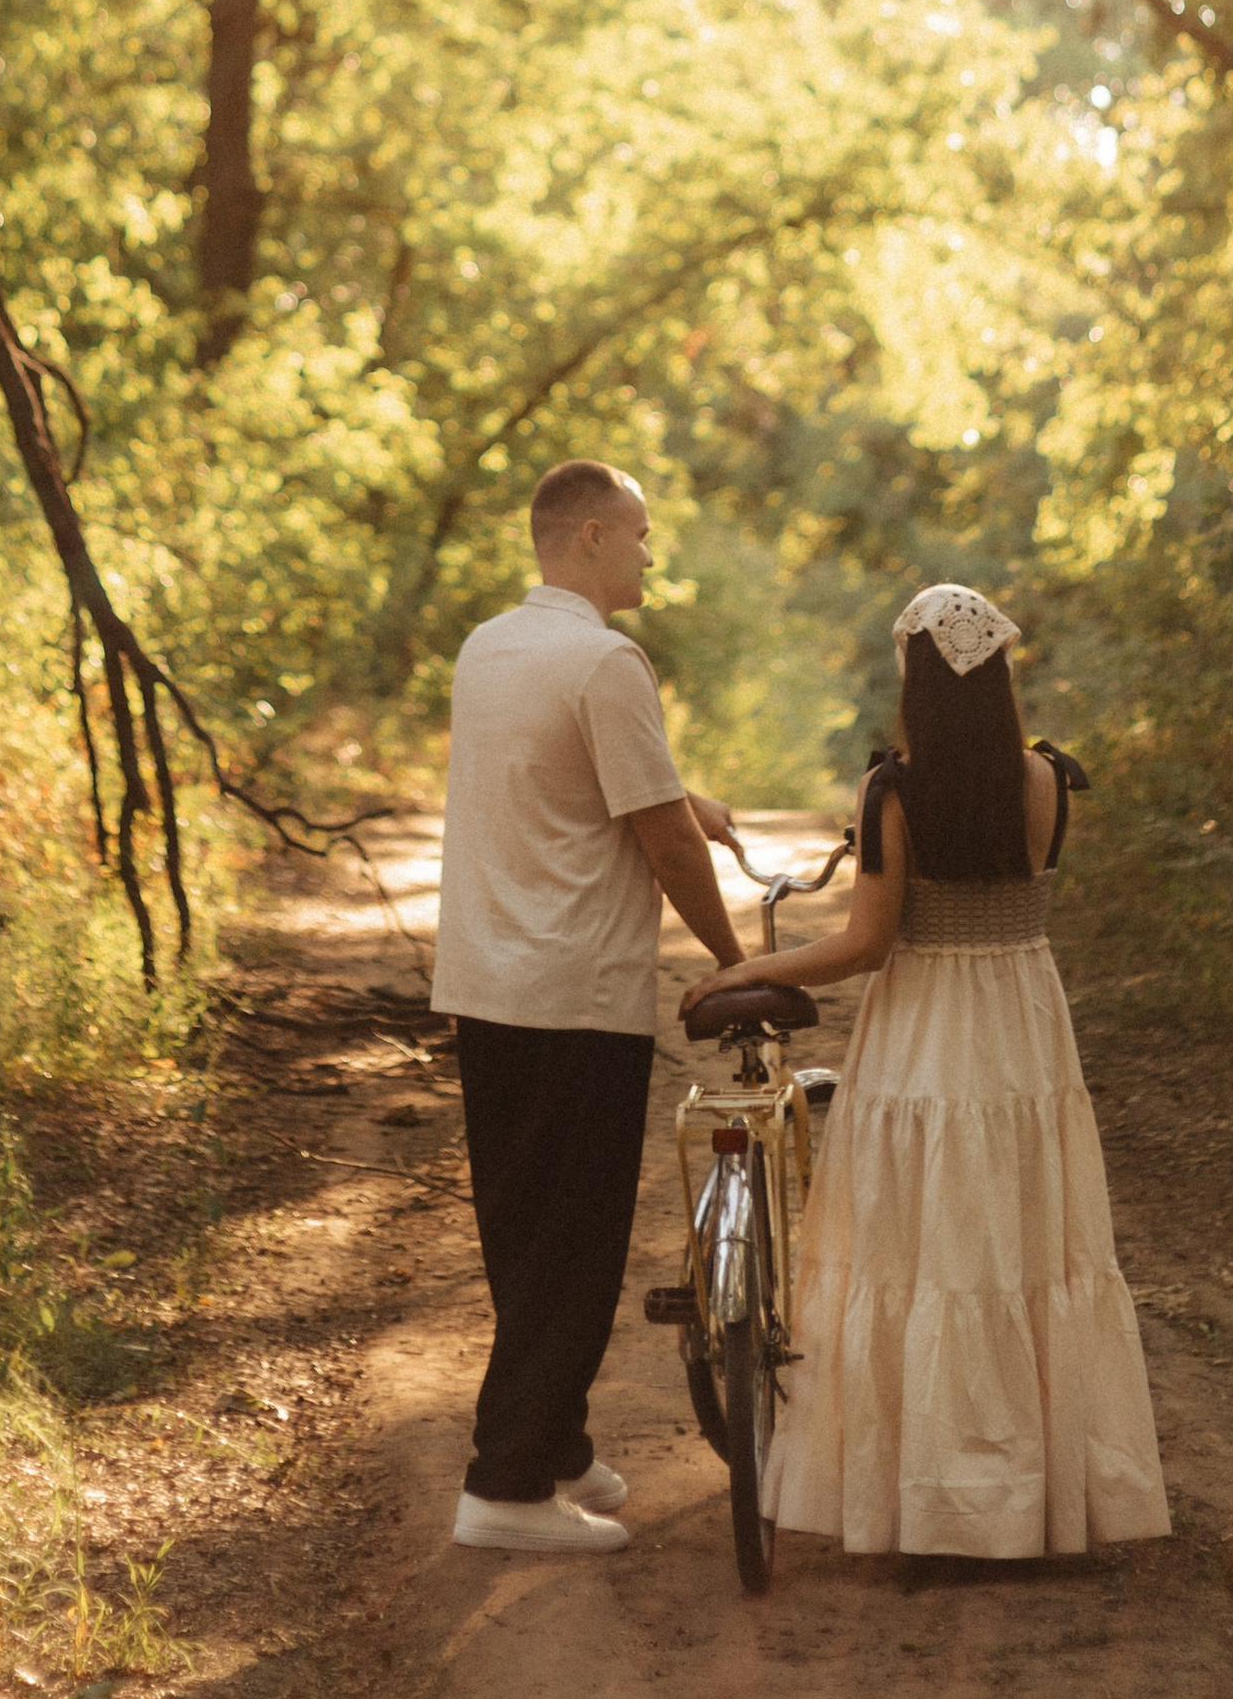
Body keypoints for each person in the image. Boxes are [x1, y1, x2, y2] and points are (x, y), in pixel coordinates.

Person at [682, 581, 1169, 1561]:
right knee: (1020, 1247)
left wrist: (749, 964)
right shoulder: (1043, 780)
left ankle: (934, 1495)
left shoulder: (894, 789)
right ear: (998, 675)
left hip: (930, 1029)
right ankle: (1028, 1495)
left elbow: (864, 945)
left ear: (914, 674)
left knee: (928, 1249)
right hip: (1025, 1024)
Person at [432, 459, 746, 1553]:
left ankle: (555, 1443)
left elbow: (575, 779)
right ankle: (506, 1490)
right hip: (574, 994)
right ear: (592, 540)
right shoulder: (610, 660)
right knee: (573, 1245)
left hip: (486, 987)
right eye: (643, 533)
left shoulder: (490, 647)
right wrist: (735, 959)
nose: (654, 553)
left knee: (524, 1233)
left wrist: (682, 794)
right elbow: (657, 843)